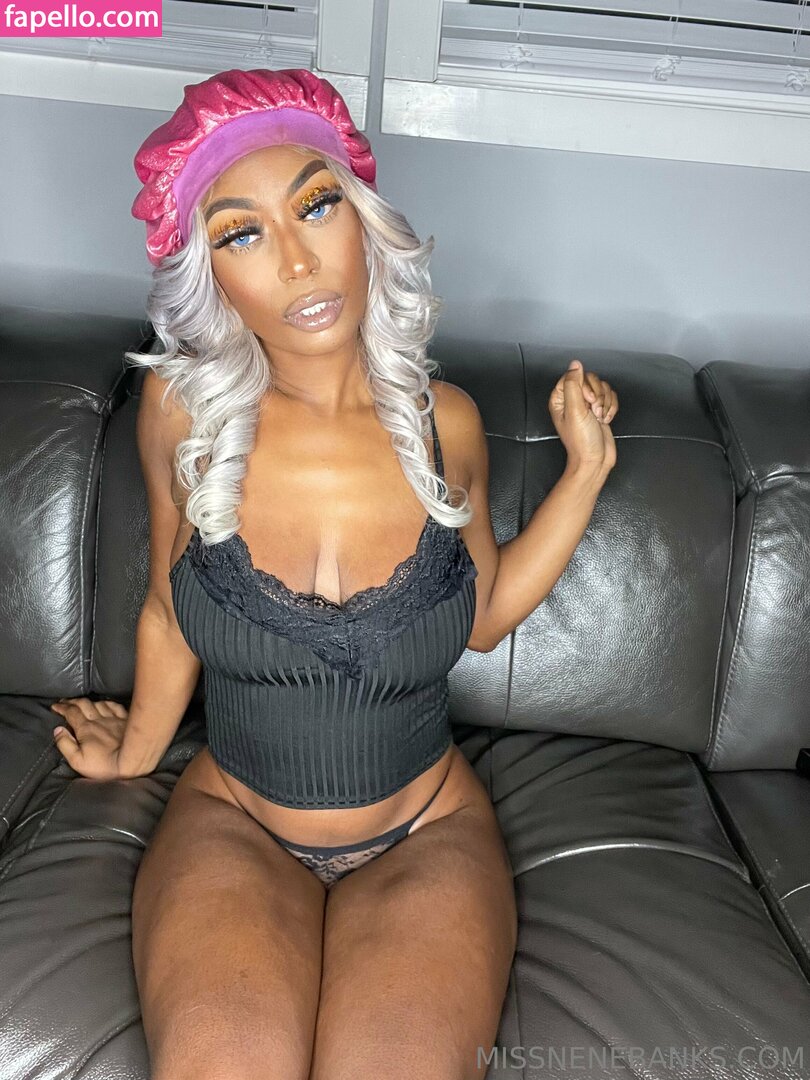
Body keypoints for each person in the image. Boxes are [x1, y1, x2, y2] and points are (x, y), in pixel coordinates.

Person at [49, 67, 619, 1080]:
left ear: (363, 219)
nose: (299, 260)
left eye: (316, 206)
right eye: (242, 233)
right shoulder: (181, 416)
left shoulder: (445, 426)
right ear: (208, 275)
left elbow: (483, 619)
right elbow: (169, 612)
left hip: (426, 832)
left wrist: (585, 474)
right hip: (234, 821)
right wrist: (135, 753)